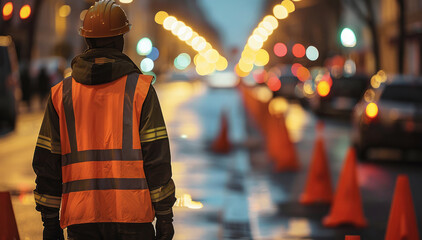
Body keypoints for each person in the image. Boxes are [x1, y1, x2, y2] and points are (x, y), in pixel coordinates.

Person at [32, 1, 176, 239]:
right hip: (133, 218)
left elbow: (48, 160)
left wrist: (49, 220)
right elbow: (157, 158)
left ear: (87, 41)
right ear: (121, 40)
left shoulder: (62, 93)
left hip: (81, 219)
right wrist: (164, 215)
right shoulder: (140, 90)